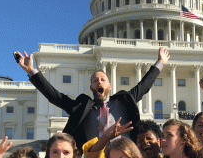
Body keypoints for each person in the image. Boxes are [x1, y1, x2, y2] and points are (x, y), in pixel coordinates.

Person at [15, 47, 170, 151]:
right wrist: (31, 71)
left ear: (109, 85)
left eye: (103, 79)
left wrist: (160, 63)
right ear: (90, 87)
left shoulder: (124, 101)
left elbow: (144, 85)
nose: (99, 82)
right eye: (95, 80)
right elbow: (55, 96)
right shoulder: (83, 108)